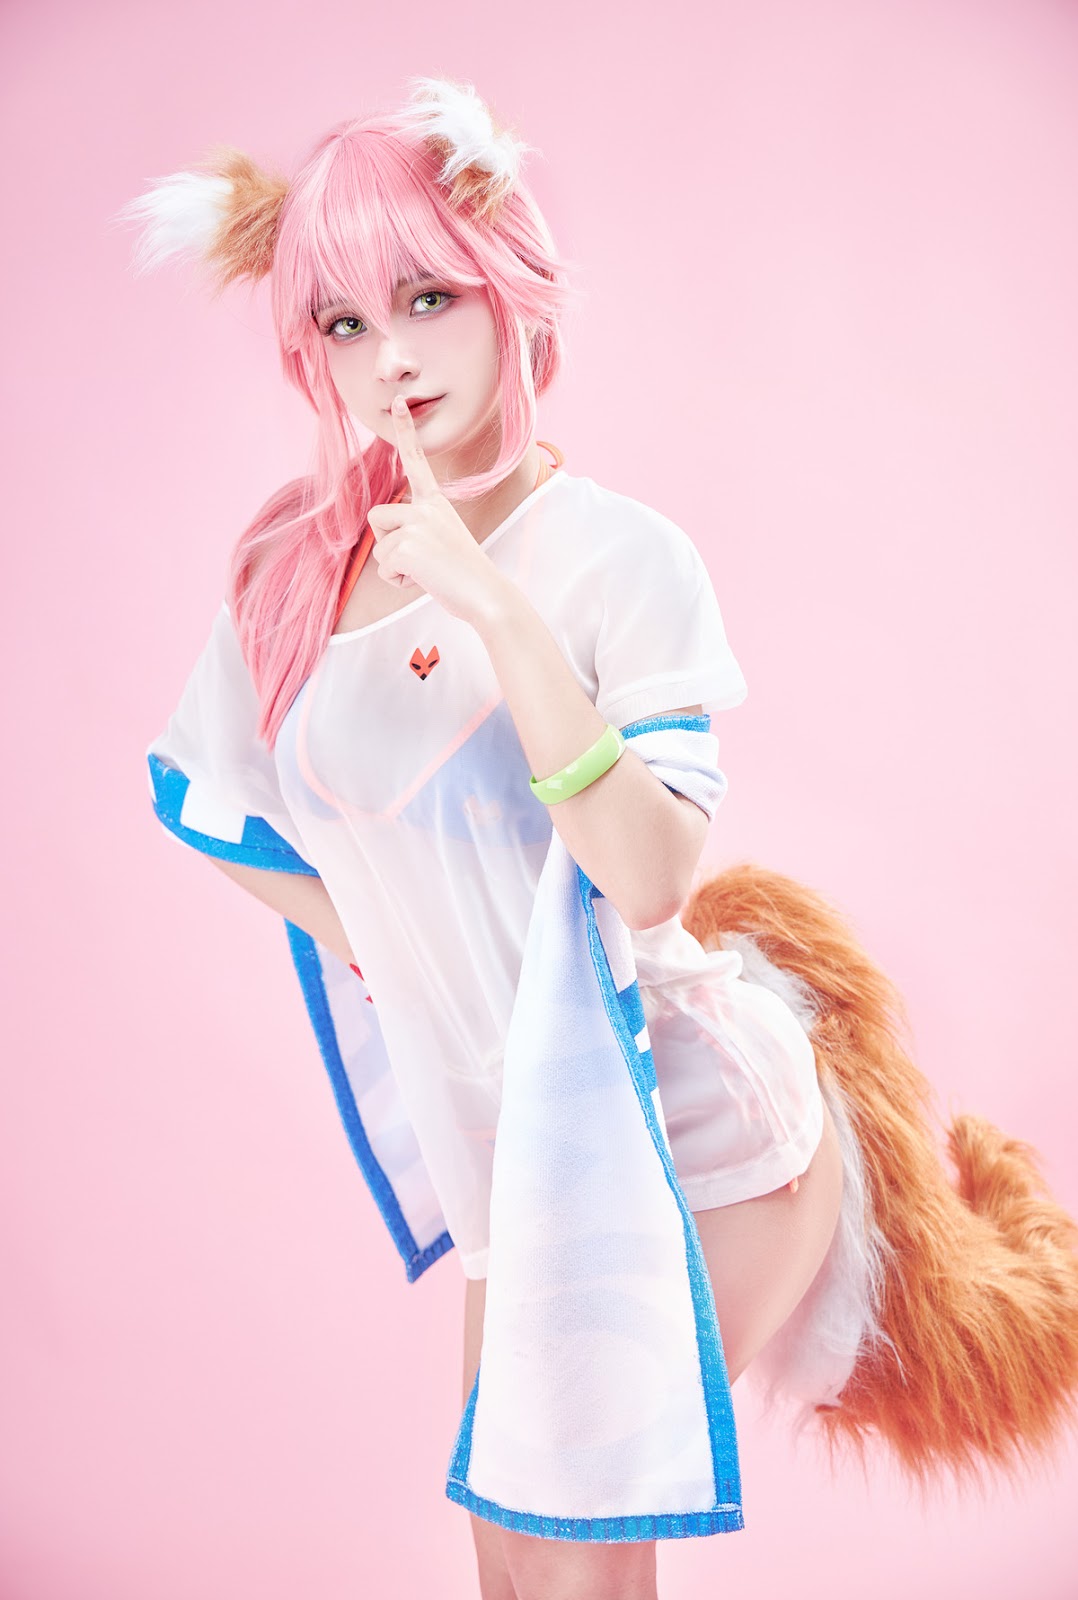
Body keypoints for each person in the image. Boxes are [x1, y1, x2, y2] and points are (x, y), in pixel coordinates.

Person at [117, 77, 1078, 1600]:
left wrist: (494, 609)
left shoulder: (619, 559)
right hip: (505, 1158)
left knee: (575, 1573)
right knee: (513, 1574)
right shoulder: (297, 571)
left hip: (677, 1125)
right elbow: (202, 797)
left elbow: (648, 873)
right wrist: (378, 943)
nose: (389, 356)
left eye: (427, 297)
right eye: (345, 322)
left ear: (506, 286)